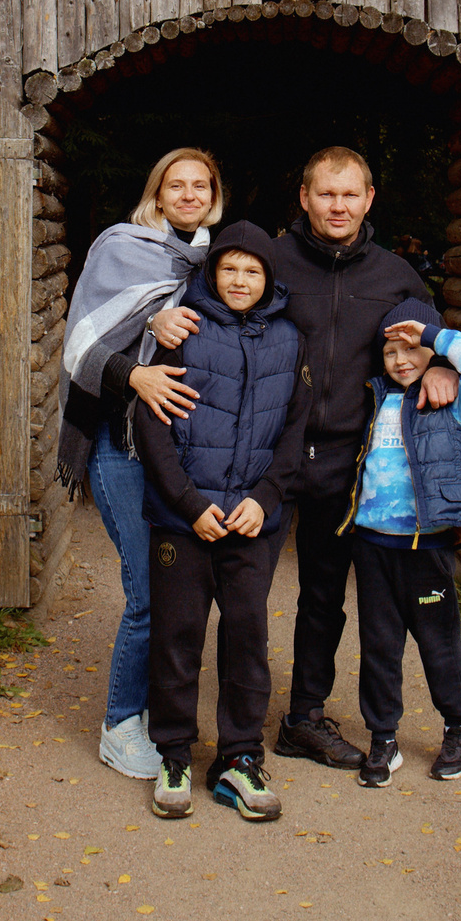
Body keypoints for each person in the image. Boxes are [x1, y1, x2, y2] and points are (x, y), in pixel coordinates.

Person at [199, 146, 454, 770]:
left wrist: (441, 363)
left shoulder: (394, 273)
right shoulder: (273, 262)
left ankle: (304, 716)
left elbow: (420, 327)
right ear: (305, 199)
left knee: (322, 593)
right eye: (325, 194)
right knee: (243, 590)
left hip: (346, 459)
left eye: (350, 195)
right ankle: (236, 729)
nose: (337, 206)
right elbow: (217, 305)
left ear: (368, 200)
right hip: (264, 455)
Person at [131, 222, 311, 821]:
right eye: (230, 268)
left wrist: (264, 497)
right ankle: (175, 754)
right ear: (213, 273)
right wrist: (187, 505)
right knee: (178, 638)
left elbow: (294, 432)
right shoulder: (184, 330)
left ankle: (238, 758)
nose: (240, 280)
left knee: (247, 639)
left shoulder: (290, 340)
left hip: (251, 521)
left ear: (268, 279)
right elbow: (150, 423)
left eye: (252, 271)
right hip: (185, 520)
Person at [56, 147, 223, 780]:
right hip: (118, 446)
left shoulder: (210, 265)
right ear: (155, 197)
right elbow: (81, 344)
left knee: (176, 583)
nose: (187, 194)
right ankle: (120, 724)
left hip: (176, 450)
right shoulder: (122, 248)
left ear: (213, 196)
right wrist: (138, 373)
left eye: (199, 185)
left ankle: (153, 711)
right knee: (146, 590)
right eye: (174, 185)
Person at [342, 297, 461, 786]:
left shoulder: (452, 399)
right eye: (392, 352)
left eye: (413, 349)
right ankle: (383, 738)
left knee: (438, 642)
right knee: (379, 645)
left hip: (424, 548)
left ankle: (458, 728)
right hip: (373, 545)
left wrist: (437, 345)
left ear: (432, 352)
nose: (402, 359)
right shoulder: (374, 396)